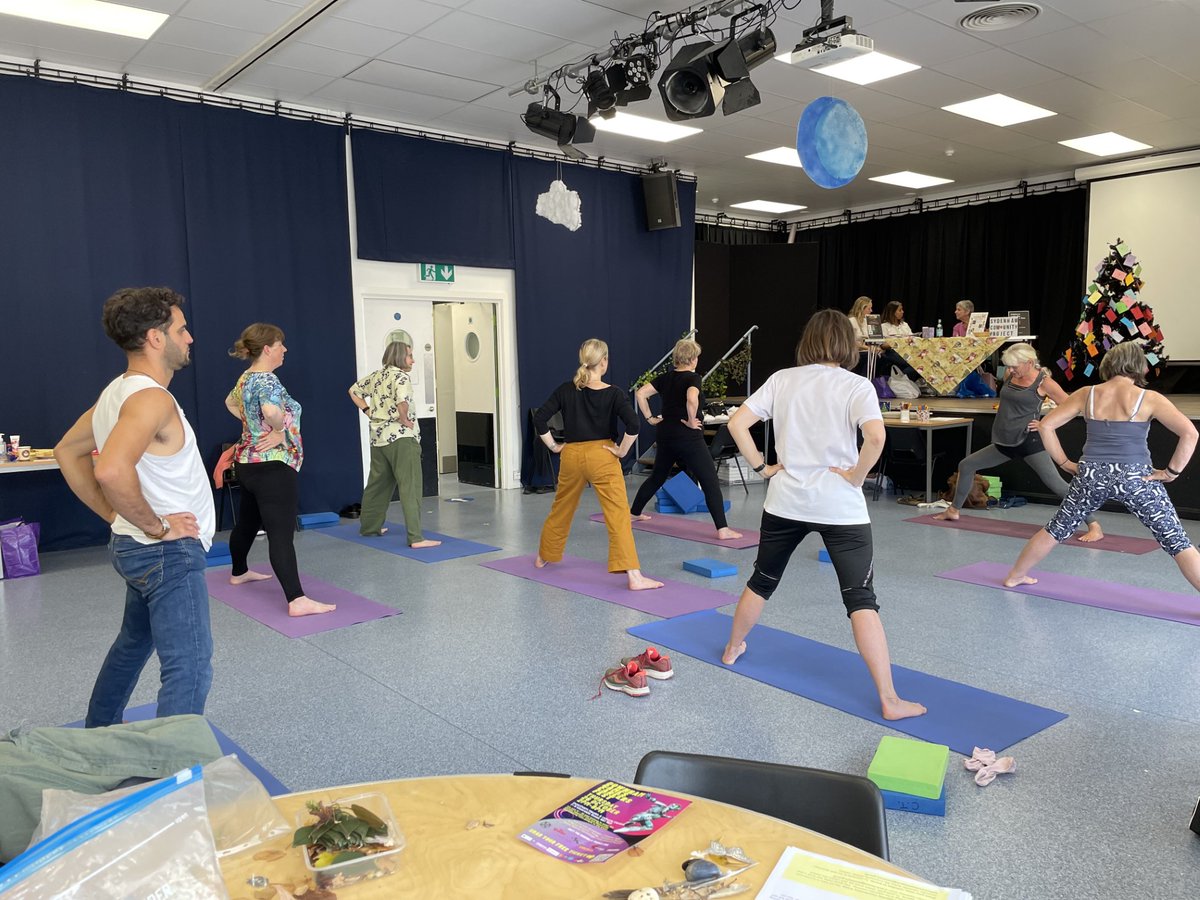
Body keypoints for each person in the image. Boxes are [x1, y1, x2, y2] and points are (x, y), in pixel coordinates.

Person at [720, 310, 926, 721]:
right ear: (848, 345)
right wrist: (855, 475)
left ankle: (731, 649)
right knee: (861, 599)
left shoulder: (783, 379)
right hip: (840, 506)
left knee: (762, 580)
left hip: (785, 502)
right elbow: (877, 436)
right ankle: (889, 699)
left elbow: (737, 423)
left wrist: (762, 467)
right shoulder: (856, 385)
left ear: (808, 341)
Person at [54, 287, 214, 727]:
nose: (190, 338)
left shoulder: (116, 394)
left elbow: (67, 451)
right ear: (155, 338)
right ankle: (170, 777)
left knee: (132, 645)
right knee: (190, 665)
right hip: (166, 553)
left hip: (137, 547)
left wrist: (117, 516)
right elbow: (110, 471)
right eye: (181, 329)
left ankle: (99, 731)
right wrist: (158, 526)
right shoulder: (150, 399)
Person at [1005, 342, 1200, 589]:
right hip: (1135, 477)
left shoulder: (1087, 393)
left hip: (1091, 474)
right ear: (1139, 366)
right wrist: (1170, 472)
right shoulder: (1149, 398)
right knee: (1176, 540)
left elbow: (1045, 425)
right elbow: (1190, 434)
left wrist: (1064, 463)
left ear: (1109, 365)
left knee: (1057, 528)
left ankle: (1015, 575)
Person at [935, 343, 1104, 541]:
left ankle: (1094, 525)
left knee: (1057, 485)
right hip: (1004, 441)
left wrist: (1044, 423)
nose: (1010, 370)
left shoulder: (1044, 383)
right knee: (967, 465)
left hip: (1029, 441)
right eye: (1009, 366)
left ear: (1030, 362)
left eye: (1015, 366)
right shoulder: (1010, 376)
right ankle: (954, 510)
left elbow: (1070, 407)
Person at [534, 339, 662, 591]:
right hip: (602, 455)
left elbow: (540, 419)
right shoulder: (613, 393)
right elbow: (634, 425)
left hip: (571, 455)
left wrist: (554, 447)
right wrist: (621, 451)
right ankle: (634, 577)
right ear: (603, 361)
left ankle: (544, 556)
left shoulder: (565, 390)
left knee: (561, 507)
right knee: (617, 515)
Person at [226, 323, 335, 617]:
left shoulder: (245, 378)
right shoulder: (268, 381)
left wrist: (252, 425)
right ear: (267, 349)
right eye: (280, 344)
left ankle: (239, 571)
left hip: (247, 462)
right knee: (280, 533)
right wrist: (277, 428)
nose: (284, 349)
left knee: (248, 522)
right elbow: (274, 413)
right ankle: (296, 599)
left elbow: (230, 403)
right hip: (273, 466)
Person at [628, 339, 742, 540]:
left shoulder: (665, 378)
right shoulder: (693, 378)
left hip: (666, 435)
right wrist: (691, 421)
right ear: (692, 359)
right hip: (688, 437)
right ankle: (722, 529)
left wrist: (650, 418)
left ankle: (634, 513)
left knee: (657, 477)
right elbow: (691, 398)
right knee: (710, 481)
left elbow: (641, 394)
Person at [348, 338, 440, 548]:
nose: (413, 360)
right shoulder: (401, 377)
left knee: (377, 484)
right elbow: (402, 402)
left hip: (379, 438)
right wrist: (405, 418)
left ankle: (370, 527)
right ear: (400, 357)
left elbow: (353, 391)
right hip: (401, 438)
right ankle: (416, 538)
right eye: (410, 355)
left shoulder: (378, 376)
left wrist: (367, 410)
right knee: (410, 486)